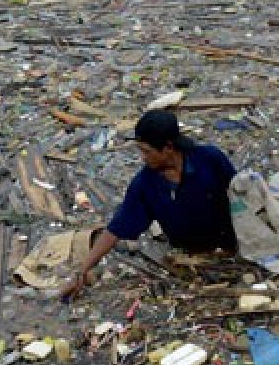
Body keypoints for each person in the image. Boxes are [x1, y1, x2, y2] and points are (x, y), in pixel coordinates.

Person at [62, 109, 238, 298]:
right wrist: (82, 271)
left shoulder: (209, 159)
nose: (143, 158)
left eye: (147, 151)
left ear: (168, 147)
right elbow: (116, 229)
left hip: (231, 248)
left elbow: (240, 193)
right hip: (191, 256)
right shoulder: (146, 184)